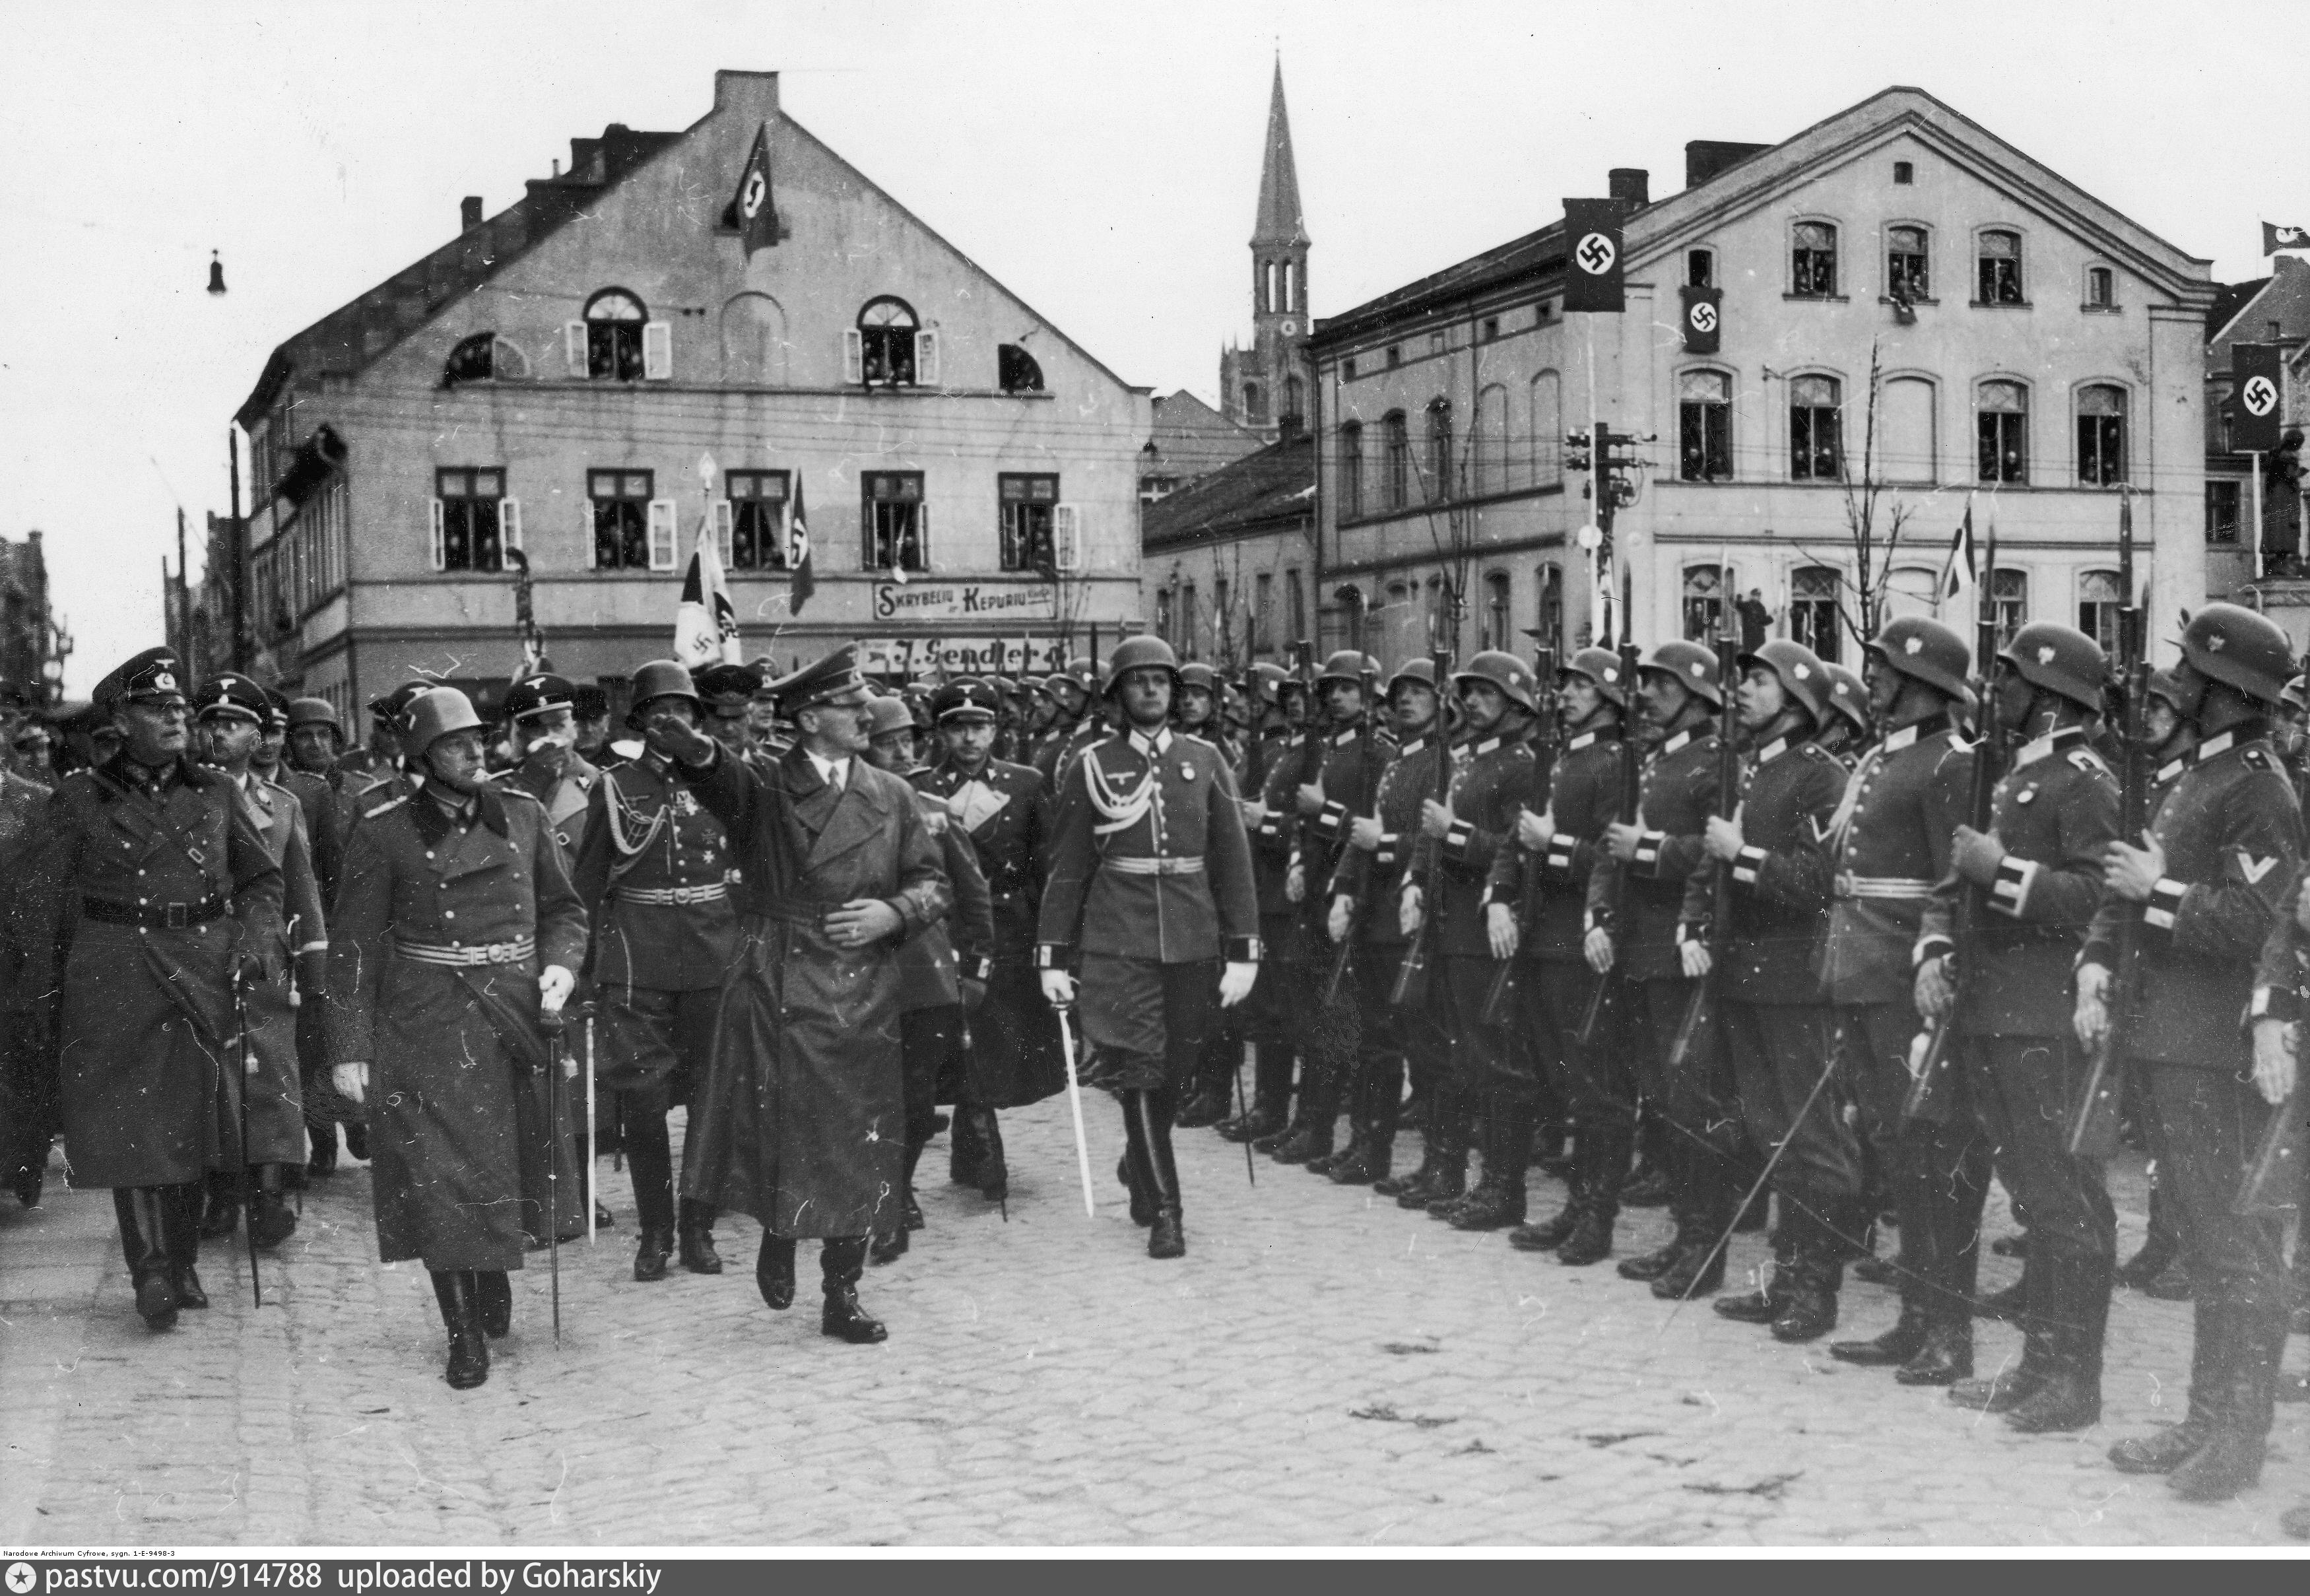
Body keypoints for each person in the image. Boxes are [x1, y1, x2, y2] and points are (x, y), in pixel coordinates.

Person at [646, 645, 949, 1343]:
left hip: (862, 983)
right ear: (810, 718)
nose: (867, 713)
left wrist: (894, 914)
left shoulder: (892, 793)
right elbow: (723, 783)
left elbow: (933, 882)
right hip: (781, 976)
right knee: (782, 1122)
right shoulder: (767, 786)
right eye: (851, 705)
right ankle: (780, 1231)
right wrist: (694, 750)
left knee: (856, 1139)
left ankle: (841, 1293)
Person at [9, 648, 284, 1329]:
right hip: (113, 971)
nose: (176, 719)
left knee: (190, 1121)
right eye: (158, 710)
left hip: (200, 963)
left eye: (179, 709)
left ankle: (181, 1256)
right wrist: (35, 997)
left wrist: (254, 941)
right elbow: (42, 903)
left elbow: (261, 881)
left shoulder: (217, 793)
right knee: (129, 1124)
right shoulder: (77, 799)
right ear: (122, 719)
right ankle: (151, 1270)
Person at [2092, 604, 2299, 1501]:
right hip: (2175, 1039)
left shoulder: (2257, 785)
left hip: (2218, 1048)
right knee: (2210, 1244)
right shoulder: (2203, 773)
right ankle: (2206, 1419)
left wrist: (2157, 889)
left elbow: (2258, 925)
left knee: (2235, 1246)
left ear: (2223, 688)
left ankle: (2238, 1437)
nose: (2173, 678)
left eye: (2188, 667)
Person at [323, 686, 587, 1388]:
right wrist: (350, 1046)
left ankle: (492, 1276)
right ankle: (462, 1331)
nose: (475, 752)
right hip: (427, 1019)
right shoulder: (382, 832)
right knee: (440, 1175)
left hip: (513, 1014)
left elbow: (565, 910)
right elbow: (352, 947)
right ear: (421, 758)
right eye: (454, 743)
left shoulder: (524, 818)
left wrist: (560, 967)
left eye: (479, 738)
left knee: (504, 1162)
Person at [1911, 622, 2120, 1431]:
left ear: (2047, 693)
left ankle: (2073, 1381)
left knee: (2064, 1201)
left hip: (2042, 1016)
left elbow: (2096, 899)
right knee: (2035, 1198)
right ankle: (2040, 1366)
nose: (1994, 692)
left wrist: (2000, 872)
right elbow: (1960, 879)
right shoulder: (2016, 775)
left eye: (2008, 679)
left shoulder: (2082, 780)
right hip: (1994, 1011)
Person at [1037, 636, 1259, 1259]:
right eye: (1139, 681)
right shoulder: (1091, 764)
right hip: (1119, 939)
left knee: (1177, 1070)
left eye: (1163, 680)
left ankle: (1139, 1163)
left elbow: (1233, 862)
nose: (1154, 691)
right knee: (1139, 1067)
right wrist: (1053, 954)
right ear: (1116, 696)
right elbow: (1069, 866)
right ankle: (1167, 1210)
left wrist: (1244, 950)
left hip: (1192, 935)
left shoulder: (1208, 759)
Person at [1822, 618, 1983, 1379]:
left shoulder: (1947, 761)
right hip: (1862, 969)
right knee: (1895, 1151)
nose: (1872, 678)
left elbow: (1949, 884)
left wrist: (1935, 959)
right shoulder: (1887, 756)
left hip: (1903, 977)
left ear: (1924, 680)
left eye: (1885, 668)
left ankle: (1946, 1331)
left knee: (1931, 1157)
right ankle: (1915, 1318)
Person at [1688, 640, 1852, 1342]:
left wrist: (1742, 856)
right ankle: (1786, 1278)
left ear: (1796, 698)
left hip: (1794, 978)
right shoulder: (1752, 771)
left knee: (1811, 1138)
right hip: (1747, 975)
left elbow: (1815, 882)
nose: (1744, 691)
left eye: (1759, 681)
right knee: (1770, 1129)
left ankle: (1815, 1290)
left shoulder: (1820, 776)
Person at [568, 661, 741, 1282]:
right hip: (638, 961)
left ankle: (698, 1229)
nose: (672, 721)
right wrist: (582, 970)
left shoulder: (724, 781)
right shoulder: (613, 788)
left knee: (709, 1100)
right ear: (639, 723)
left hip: (713, 958)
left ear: (697, 719)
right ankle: (657, 1231)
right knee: (642, 1103)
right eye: (658, 712)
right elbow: (585, 884)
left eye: (684, 711)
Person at [1593, 640, 1737, 1300]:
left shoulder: (1714, 760)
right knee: (1663, 1099)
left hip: (1683, 954)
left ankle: (1704, 1246)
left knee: (1690, 1103)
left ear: (1695, 692)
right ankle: (1686, 1235)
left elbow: (1709, 854)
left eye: (1659, 684)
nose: (1644, 694)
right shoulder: (1656, 758)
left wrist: (1644, 848)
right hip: (1643, 951)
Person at [1486, 647, 1637, 1262]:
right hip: (1542, 938)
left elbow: (1609, 858)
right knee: (1566, 1080)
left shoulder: (1617, 762)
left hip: (1584, 940)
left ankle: (1598, 1214)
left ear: (1608, 697)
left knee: (1598, 1086)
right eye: (1566, 684)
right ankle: (1577, 1205)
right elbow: (1516, 840)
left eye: (1581, 684)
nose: (1568, 693)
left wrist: (1554, 845)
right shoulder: (1560, 758)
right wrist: (1499, 898)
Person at [189, 673, 327, 1249]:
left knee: (270, 1074)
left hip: (265, 958)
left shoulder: (285, 806)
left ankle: (269, 1196)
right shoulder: (183, 797)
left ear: (258, 734)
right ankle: (222, 1190)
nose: (222, 733)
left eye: (236, 723)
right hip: (195, 956)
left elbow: (301, 890)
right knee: (208, 1077)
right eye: (212, 722)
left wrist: (316, 972)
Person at [913, 677, 1064, 1199]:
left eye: (980, 727)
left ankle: (975, 1138)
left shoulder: (1025, 783)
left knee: (998, 1034)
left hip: (1011, 928)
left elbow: (1047, 863)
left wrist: (1054, 939)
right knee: (959, 1034)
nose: (971, 740)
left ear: (996, 729)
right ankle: (979, 1141)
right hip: (949, 927)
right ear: (941, 733)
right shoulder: (920, 787)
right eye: (958, 728)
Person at [1410, 652, 1539, 1231]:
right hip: (1451, 923)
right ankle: (1450, 1169)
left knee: (1493, 1062)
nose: (1473, 703)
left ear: (1515, 703)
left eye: (1485, 693)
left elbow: (1513, 850)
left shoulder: (1521, 765)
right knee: (1459, 1056)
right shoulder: (1469, 758)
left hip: (1486, 930)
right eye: (1469, 693)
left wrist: (1454, 833)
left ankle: (1502, 1187)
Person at [861, 694, 992, 1263]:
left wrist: (980, 965)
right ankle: (879, 1193)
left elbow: (972, 893)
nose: (901, 750)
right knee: (867, 1096)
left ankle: (900, 1187)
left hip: (925, 975)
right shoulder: (843, 806)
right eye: (888, 741)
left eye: (908, 740)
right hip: (860, 974)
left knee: (917, 1102)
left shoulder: (936, 808)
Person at [1331, 659, 1451, 1191]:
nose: (1406, 701)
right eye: (1400, 693)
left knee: (1420, 1044)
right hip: (1377, 918)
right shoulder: (1397, 762)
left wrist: (1382, 845)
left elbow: (1429, 843)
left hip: (1412, 919)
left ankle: (1433, 1161)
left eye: (1419, 692)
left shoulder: (1440, 763)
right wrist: (1345, 891)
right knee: (1373, 1038)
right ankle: (1368, 1145)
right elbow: (1364, 836)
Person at [0, 739, 55, 1206]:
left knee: (23, 1063)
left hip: (21, 958)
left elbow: (51, 893)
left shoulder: (35, 802)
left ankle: (26, 1160)